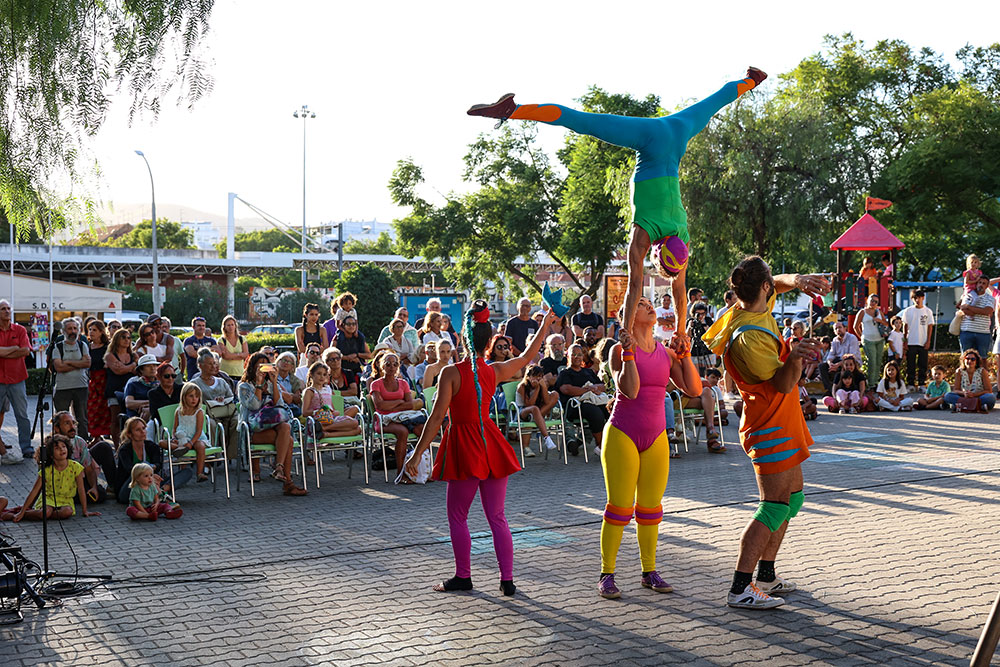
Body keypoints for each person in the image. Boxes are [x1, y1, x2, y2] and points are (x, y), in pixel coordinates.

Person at [469, 70, 768, 340]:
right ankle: (512, 111)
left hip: (678, 129)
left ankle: (752, 79)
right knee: (581, 122)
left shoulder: (683, 235)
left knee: (717, 100)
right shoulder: (644, 235)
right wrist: (626, 333)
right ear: (660, 254)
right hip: (652, 140)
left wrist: (681, 333)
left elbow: (678, 296)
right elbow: (635, 288)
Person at [701, 255, 829, 609]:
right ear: (763, 287)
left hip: (783, 423)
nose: (775, 285)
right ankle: (740, 588)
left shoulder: (753, 308)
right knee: (773, 507)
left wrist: (800, 279)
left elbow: (781, 282)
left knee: (793, 501)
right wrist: (795, 357)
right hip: (768, 426)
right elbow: (784, 385)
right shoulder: (748, 337)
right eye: (771, 281)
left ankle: (767, 577)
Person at [404, 302, 557, 596]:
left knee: (458, 516)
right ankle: (507, 580)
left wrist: (418, 452)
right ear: (489, 342)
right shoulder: (495, 370)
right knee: (497, 517)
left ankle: (464, 576)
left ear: (461, 338)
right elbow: (527, 356)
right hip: (491, 441)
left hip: (465, 443)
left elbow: (436, 418)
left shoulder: (451, 372)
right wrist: (546, 322)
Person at [596, 296, 701, 599]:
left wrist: (685, 356)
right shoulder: (618, 351)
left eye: (650, 302)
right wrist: (629, 352)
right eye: (641, 303)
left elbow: (693, 389)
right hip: (622, 435)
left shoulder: (666, 353)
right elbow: (629, 390)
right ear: (628, 315)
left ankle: (648, 571)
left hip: (656, 437)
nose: (649, 305)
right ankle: (607, 573)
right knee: (619, 508)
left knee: (651, 509)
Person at [238, 352, 307, 495]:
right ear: (253, 367)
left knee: (286, 427)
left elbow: (279, 404)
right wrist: (258, 384)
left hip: (273, 426)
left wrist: (274, 383)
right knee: (287, 440)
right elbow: (255, 406)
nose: (264, 369)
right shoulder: (244, 386)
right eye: (260, 365)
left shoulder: (270, 384)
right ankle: (287, 482)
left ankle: (280, 469)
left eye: (266, 365)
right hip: (253, 429)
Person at [1, 435, 99, 522]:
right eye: (57, 448)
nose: (62, 450)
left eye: (64, 447)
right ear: (51, 455)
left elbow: (81, 489)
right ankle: (22, 514)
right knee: (46, 512)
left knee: (67, 512)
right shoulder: (47, 470)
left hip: (66, 499)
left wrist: (85, 510)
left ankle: (38, 515)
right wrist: (22, 511)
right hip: (48, 498)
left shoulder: (75, 467)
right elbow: (35, 491)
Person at [369, 351, 424, 475]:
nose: (391, 367)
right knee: (402, 431)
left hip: (403, 418)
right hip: (383, 420)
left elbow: (410, 404)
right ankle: (401, 472)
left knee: (421, 429)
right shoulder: (376, 384)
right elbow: (380, 406)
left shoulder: (403, 383)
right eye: (388, 364)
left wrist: (392, 405)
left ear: (398, 366)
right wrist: (399, 401)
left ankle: (422, 470)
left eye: (395, 364)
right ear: (382, 366)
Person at [114, 417, 190, 504]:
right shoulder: (125, 450)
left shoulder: (152, 446)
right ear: (130, 434)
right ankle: (160, 495)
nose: (143, 432)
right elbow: (130, 469)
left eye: (143, 428)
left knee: (187, 472)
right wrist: (148, 472)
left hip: (151, 482)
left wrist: (152, 471)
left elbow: (158, 465)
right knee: (141, 469)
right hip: (130, 488)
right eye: (138, 430)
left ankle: (163, 489)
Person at [554, 343, 609, 456]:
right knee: (595, 412)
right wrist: (588, 390)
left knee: (609, 409)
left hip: (592, 400)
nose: (577, 357)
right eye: (574, 354)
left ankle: (607, 443)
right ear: (568, 356)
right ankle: (600, 446)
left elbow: (603, 386)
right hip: (574, 406)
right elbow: (567, 389)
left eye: (579, 354)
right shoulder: (565, 373)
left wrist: (594, 388)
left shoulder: (588, 372)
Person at [51, 410, 115, 504]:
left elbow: (88, 469)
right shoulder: (52, 445)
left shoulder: (79, 442)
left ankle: (112, 487)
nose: (72, 427)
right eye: (67, 423)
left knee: (104, 446)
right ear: (57, 428)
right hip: (64, 484)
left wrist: (94, 487)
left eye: (73, 423)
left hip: (81, 478)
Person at [189, 349, 238, 460]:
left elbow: (231, 397)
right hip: (207, 414)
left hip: (225, 411)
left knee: (237, 421)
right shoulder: (195, 383)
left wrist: (223, 399)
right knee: (211, 424)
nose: (213, 366)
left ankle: (231, 454)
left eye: (214, 363)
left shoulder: (221, 381)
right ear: (200, 365)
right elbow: (192, 403)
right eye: (210, 364)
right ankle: (213, 455)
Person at [51, 317, 91, 440]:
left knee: (82, 419)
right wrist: (78, 363)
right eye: (69, 328)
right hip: (63, 388)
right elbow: (58, 367)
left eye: (75, 328)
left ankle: (83, 445)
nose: (73, 331)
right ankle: (62, 442)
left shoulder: (82, 344)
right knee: (61, 419)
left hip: (81, 386)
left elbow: (87, 363)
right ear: (63, 331)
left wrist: (67, 362)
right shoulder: (58, 347)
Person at [301, 362, 361, 439]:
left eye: (324, 374)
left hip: (330, 420)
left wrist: (335, 412)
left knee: (358, 428)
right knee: (354, 423)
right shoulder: (310, 391)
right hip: (318, 420)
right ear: (311, 375)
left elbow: (332, 408)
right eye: (319, 374)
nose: (322, 377)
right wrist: (317, 411)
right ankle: (321, 428)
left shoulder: (328, 389)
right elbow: (304, 412)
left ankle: (325, 432)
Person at [104, 328, 137, 447]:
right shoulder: (110, 355)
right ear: (117, 339)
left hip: (131, 390)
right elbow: (118, 371)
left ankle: (129, 445)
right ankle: (117, 447)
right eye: (123, 337)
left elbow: (137, 371)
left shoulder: (133, 355)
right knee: (115, 419)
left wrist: (125, 367)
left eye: (129, 337)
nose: (127, 340)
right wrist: (131, 366)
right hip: (114, 390)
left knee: (129, 419)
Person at [514, 365, 559, 454]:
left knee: (554, 394)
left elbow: (547, 402)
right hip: (522, 411)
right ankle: (547, 438)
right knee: (534, 409)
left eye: (540, 377)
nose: (537, 379)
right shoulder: (522, 386)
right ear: (528, 377)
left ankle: (536, 418)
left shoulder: (540, 384)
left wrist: (543, 387)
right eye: (535, 376)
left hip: (536, 411)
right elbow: (529, 404)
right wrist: (537, 389)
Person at [172, 383, 209, 482]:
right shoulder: (179, 411)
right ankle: (183, 472)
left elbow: (199, 431)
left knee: (200, 446)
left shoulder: (199, 412)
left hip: (196, 438)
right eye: (191, 396)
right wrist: (173, 438)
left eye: (197, 396)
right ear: (184, 397)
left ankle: (200, 473)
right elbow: (174, 428)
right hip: (183, 438)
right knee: (163, 443)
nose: (194, 399)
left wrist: (191, 443)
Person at [854, 293, 888, 389]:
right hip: (868, 339)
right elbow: (855, 326)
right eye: (872, 300)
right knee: (872, 361)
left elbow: (886, 324)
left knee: (878, 361)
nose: (873, 303)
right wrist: (861, 337)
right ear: (867, 300)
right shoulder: (862, 312)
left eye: (876, 301)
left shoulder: (879, 312)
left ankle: (876, 381)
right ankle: (871, 384)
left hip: (880, 340)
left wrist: (879, 320)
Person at [85, 319, 112, 440]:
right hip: (91, 380)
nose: (91, 332)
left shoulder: (107, 347)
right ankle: (95, 435)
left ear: (101, 332)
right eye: (90, 329)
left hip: (104, 380)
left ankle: (104, 433)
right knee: (91, 408)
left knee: (103, 409)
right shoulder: (86, 347)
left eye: (94, 330)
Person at [820, 322, 861, 394]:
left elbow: (852, 356)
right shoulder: (835, 340)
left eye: (840, 327)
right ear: (834, 331)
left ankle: (839, 389)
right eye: (836, 328)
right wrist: (831, 364)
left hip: (852, 361)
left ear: (845, 328)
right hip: (839, 361)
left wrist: (837, 365)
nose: (838, 330)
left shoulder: (852, 338)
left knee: (843, 365)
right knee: (822, 366)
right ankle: (830, 389)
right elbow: (831, 355)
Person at [959, 276, 994, 359]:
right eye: (979, 282)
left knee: (983, 358)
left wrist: (969, 307)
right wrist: (980, 311)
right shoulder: (968, 296)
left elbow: (987, 311)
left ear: (987, 286)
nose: (981, 285)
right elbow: (964, 310)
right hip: (967, 331)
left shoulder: (990, 298)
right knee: (965, 358)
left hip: (983, 332)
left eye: (983, 283)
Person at [123, 354, 160, 421]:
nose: (152, 368)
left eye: (154, 365)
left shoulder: (161, 384)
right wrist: (149, 402)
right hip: (136, 418)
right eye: (148, 366)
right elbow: (129, 403)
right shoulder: (133, 384)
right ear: (141, 370)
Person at [183, 317, 216, 381]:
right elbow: (191, 353)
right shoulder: (189, 340)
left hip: (209, 374)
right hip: (193, 373)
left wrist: (198, 351)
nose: (201, 327)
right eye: (199, 325)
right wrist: (209, 352)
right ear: (193, 327)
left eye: (203, 326)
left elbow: (218, 352)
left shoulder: (211, 340)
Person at [687, 303, 714, 375]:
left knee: (709, 373)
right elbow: (688, 336)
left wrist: (705, 326)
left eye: (703, 313)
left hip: (708, 350)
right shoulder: (691, 321)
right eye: (698, 314)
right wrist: (690, 327)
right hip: (695, 350)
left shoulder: (708, 320)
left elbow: (712, 335)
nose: (701, 316)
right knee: (695, 373)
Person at [274, 351, 305, 418]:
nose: (285, 363)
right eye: (284, 360)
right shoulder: (272, 377)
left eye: (289, 362)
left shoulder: (295, 380)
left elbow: (297, 399)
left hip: (290, 408)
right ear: (278, 361)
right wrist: (289, 395)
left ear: (292, 366)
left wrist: (289, 396)